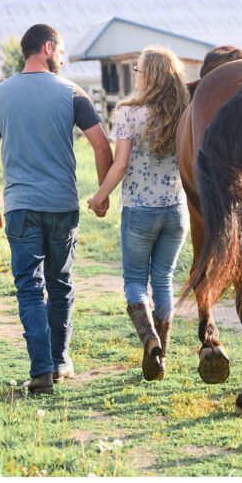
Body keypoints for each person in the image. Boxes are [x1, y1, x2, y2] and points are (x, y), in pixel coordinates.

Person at [0, 23, 114, 395]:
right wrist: (102, 193)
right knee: (60, 284)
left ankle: (40, 371)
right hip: (61, 205)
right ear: (48, 47)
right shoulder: (72, 92)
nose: (64, 57)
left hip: (21, 206)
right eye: (62, 50)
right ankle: (59, 362)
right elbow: (102, 147)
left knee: (28, 287)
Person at [87, 46, 190, 381]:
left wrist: (99, 197)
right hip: (176, 211)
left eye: (137, 67)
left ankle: (150, 341)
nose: (135, 73)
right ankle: (162, 354)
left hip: (139, 211)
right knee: (163, 280)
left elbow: (120, 165)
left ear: (149, 74)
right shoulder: (184, 111)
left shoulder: (129, 113)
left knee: (134, 281)